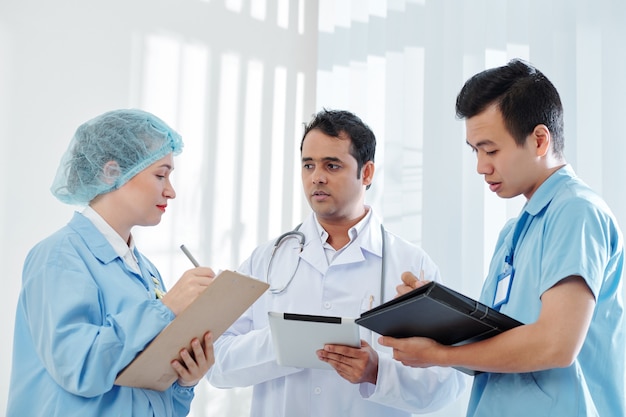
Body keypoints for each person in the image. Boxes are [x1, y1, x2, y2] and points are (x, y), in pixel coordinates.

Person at [380, 59, 625, 416]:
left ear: (539, 140)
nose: (481, 166)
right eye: (475, 151)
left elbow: (556, 345)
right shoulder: (514, 232)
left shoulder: (576, 211)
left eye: (491, 150)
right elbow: (494, 348)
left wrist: (440, 355)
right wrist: (438, 316)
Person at [207, 109, 467, 417]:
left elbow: (447, 381)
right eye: (308, 165)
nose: (316, 176)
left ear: (366, 173)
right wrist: (285, 343)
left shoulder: (410, 264)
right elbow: (216, 362)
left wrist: (377, 372)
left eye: (332, 165)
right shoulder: (267, 259)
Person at [6, 109, 217, 417]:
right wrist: (165, 309)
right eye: (161, 175)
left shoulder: (146, 272)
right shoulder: (58, 256)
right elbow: (79, 368)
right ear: (111, 171)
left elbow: (147, 396)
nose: (170, 191)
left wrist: (185, 381)